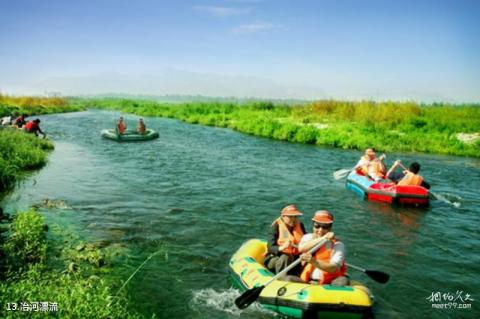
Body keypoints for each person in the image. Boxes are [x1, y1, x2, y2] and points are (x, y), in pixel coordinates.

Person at [298, 210, 348, 286]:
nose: (320, 230)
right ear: (313, 225)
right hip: (307, 281)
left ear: (330, 228)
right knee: (288, 279)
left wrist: (313, 261)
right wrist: (323, 238)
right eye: (317, 226)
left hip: (328, 283)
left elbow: (333, 268)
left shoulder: (338, 245)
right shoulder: (307, 237)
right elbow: (301, 248)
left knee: (342, 281)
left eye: (325, 227)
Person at [264, 204, 306, 278]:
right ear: (283, 216)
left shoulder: (300, 225)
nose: (293, 219)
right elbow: (270, 248)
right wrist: (282, 247)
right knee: (285, 256)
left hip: (294, 257)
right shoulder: (275, 227)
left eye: (295, 216)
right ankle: (280, 279)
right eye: (290, 217)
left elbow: (305, 240)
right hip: (275, 258)